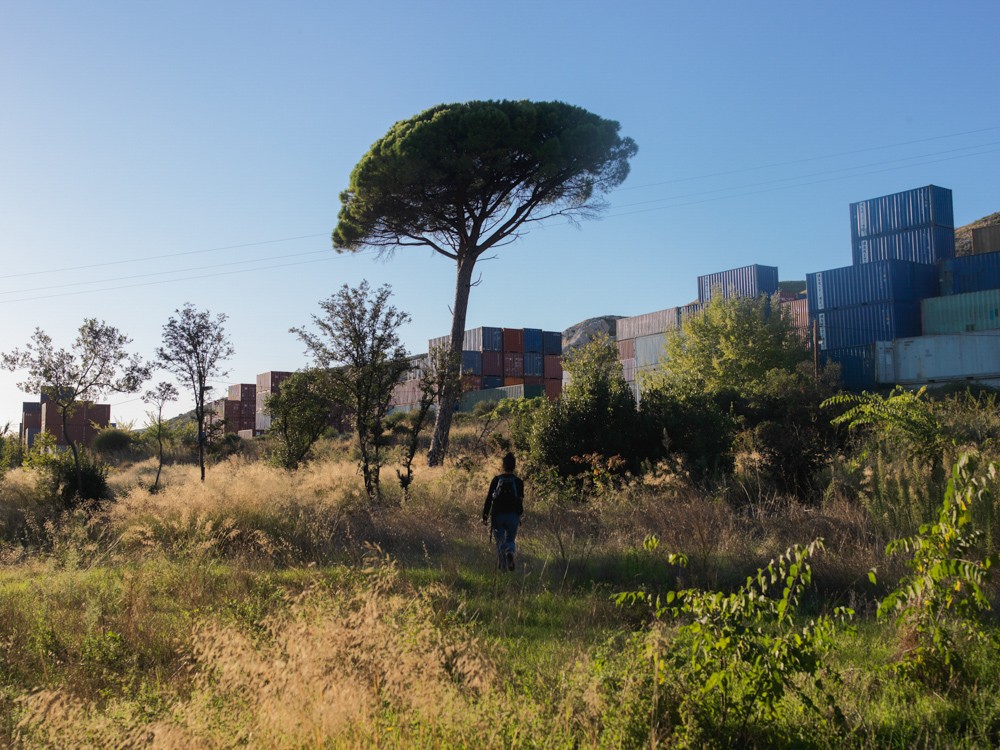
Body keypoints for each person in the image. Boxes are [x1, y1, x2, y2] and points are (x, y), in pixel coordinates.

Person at [482, 452, 524, 571]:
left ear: (503, 465)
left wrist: (485, 515)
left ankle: (503, 568)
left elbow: (489, 498)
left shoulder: (496, 480)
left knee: (500, 542)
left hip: (497, 515)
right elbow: (520, 501)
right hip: (513, 515)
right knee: (510, 539)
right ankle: (510, 552)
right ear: (514, 466)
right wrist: (519, 514)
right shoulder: (518, 482)